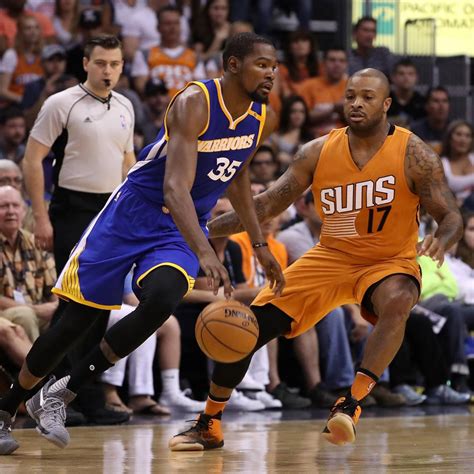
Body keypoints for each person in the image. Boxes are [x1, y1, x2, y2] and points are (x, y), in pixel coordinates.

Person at [0, 31, 284, 455]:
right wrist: (205, 251)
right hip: (133, 213)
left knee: (163, 298)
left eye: (274, 66)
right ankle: (5, 410)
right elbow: (174, 188)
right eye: (262, 65)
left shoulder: (262, 116)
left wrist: (259, 246)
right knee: (75, 321)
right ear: (233, 66)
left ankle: (62, 392)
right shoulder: (195, 102)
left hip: (178, 227)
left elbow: (238, 175)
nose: (271, 73)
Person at [169, 67, 463, 450]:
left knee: (399, 299)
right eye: (351, 96)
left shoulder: (414, 153)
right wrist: (201, 229)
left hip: (388, 260)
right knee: (243, 328)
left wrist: (443, 237)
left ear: (386, 104)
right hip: (330, 257)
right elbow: (265, 205)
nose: (356, 103)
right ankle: (209, 422)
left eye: (368, 97)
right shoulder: (317, 150)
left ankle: (351, 403)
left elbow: (451, 215)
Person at [22, 34, 136, 426]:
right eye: (101, 63)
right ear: (86, 63)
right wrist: (41, 217)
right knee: (74, 306)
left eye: (115, 64)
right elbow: (32, 159)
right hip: (72, 208)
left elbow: (128, 162)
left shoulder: (125, 106)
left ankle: (85, 395)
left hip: (111, 212)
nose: (108, 71)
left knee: (101, 307)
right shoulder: (62, 103)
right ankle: (48, 394)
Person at [440, 120, 473, 205]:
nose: (463, 140)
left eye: (468, 136)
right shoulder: (441, 164)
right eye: (458, 134)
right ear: (449, 139)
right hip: (454, 207)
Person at [410, 86, 450, 155]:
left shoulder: (454, 131)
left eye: (445, 101)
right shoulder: (414, 131)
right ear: (426, 106)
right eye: (436, 101)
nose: (441, 106)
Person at [387, 58, 426, 128]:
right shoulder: (384, 101)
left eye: (410, 74)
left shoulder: (422, 103)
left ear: (416, 77)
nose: (406, 77)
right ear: (393, 77)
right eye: (401, 74)